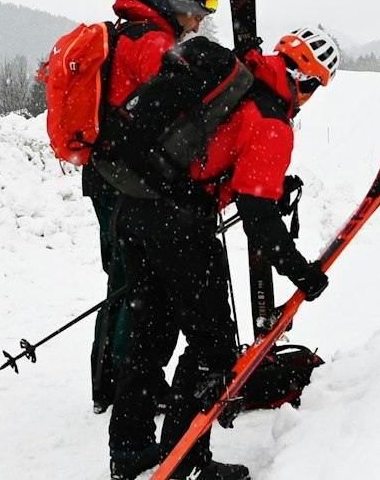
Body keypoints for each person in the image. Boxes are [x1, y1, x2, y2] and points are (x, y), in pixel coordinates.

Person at [106, 25, 341, 480]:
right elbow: (258, 219)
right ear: (308, 82)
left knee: (149, 336)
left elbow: (219, 154)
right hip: (180, 225)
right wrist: (300, 271)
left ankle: (130, 452)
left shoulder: (240, 74)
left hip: (135, 205)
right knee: (212, 346)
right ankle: (187, 463)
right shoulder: (272, 119)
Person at [88, 0, 217, 413]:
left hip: (108, 171)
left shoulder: (133, 31)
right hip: (123, 176)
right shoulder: (153, 43)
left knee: (123, 280)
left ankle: (111, 381)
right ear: (180, 8)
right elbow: (165, 107)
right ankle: (122, 385)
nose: (197, 25)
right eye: (197, 15)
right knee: (131, 284)